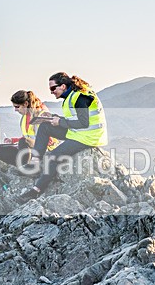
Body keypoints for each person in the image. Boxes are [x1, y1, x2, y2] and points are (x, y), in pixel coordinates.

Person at [18, 72, 108, 202]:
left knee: (52, 157)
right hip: (79, 132)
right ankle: (35, 164)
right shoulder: (73, 95)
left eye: (53, 88)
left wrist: (59, 122)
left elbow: (84, 123)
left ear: (64, 86)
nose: (51, 92)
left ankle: (36, 190)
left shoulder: (80, 97)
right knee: (44, 127)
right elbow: (75, 119)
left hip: (89, 137)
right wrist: (55, 118)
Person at [0, 90, 58, 167]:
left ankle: (27, 168)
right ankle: (21, 166)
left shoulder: (42, 115)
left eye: (17, 107)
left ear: (26, 104)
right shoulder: (24, 118)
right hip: (30, 150)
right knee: (0, 151)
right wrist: (13, 141)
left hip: (45, 150)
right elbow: (27, 138)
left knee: (23, 142)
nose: (15, 110)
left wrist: (28, 143)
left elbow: (49, 140)